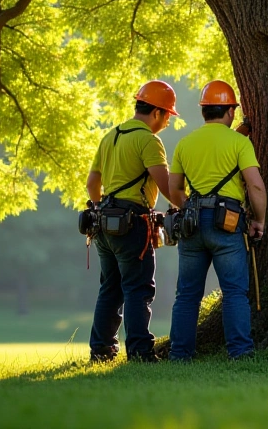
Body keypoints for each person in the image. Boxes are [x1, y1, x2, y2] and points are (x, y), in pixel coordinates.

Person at [166, 80, 267, 361]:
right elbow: (256, 187)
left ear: (204, 112)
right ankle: (240, 352)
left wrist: (193, 208)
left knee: (186, 295)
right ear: (230, 112)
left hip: (192, 224)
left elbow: (175, 190)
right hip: (228, 223)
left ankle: (180, 354)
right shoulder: (239, 142)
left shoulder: (186, 144)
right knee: (235, 291)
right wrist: (259, 220)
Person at [87, 80, 178, 363]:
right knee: (138, 288)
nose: (166, 123)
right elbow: (165, 184)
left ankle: (101, 349)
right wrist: (183, 205)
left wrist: (103, 205)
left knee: (110, 288)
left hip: (104, 223)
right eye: (167, 117)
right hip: (133, 223)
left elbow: (92, 183)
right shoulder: (149, 140)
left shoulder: (111, 135)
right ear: (158, 113)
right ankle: (139, 352)